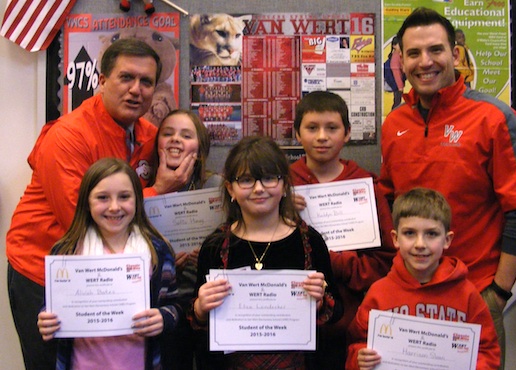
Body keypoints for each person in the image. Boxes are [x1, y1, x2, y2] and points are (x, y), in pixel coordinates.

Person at [377, 8, 516, 369]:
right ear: (401, 60)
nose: (425, 62)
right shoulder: (394, 125)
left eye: (436, 50)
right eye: (414, 53)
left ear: (455, 54)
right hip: (407, 294)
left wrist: (497, 293)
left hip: (474, 295)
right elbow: (387, 197)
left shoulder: (494, 118)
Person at [6, 38, 162, 370]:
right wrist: (161, 190)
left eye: (146, 81)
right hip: (45, 270)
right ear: (101, 82)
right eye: (126, 78)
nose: (136, 90)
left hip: (111, 275)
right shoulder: (69, 135)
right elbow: (81, 219)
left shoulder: (151, 135)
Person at [188, 135, 343, 369]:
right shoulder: (215, 246)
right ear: (230, 188)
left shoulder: (309, 241)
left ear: (284, 187)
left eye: (269, 178)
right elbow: (196, 325)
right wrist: (200, 309)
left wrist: (321, 302)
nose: (259, 189)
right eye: (247, 180)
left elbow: (336, 313)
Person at [37, 157, 182, 369]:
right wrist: (46, 321)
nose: (114, 207)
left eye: (124, 196)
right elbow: (50, 308)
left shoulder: (158, 252)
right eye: (103, 197)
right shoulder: (66, 253)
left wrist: (162, 318)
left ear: (137, 200)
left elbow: (176, 306)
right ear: (87, 201)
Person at [290, 90, 396, 369]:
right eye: (312, 128)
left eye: (332, 128)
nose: (322, 136)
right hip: (290, 324)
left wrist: (334, 262)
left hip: (350, 325)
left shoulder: (366, 185)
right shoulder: (280, 185)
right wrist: (280, 210)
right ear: (297, 134)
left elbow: (386, 262)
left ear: (347, 133)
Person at [345, 188, 501, 370]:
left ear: (447, 240)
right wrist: (360, 358)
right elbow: (356, 343)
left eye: (432, 234)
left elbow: (488, 351)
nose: (420, 244)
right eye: (410, 233)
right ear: (395, 238)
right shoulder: (379, 293)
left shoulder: (467, 295)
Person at [142, 109, 223, 369]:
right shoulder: (138, 189)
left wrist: (211, 255)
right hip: (163, 305)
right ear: (157, 145)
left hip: (209, 304)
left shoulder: (218, 187)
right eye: (167, 133)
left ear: (199, 149)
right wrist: (163, 265)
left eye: (186, 135)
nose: (175, 139)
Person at [389, 36, 405, 109]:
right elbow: (396, 73)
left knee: (397, 102)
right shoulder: (396, 57)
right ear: (394, 46)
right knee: (397, 103)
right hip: (397, 85)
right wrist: (400, 87)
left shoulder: (399, 55)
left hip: (398, 85)